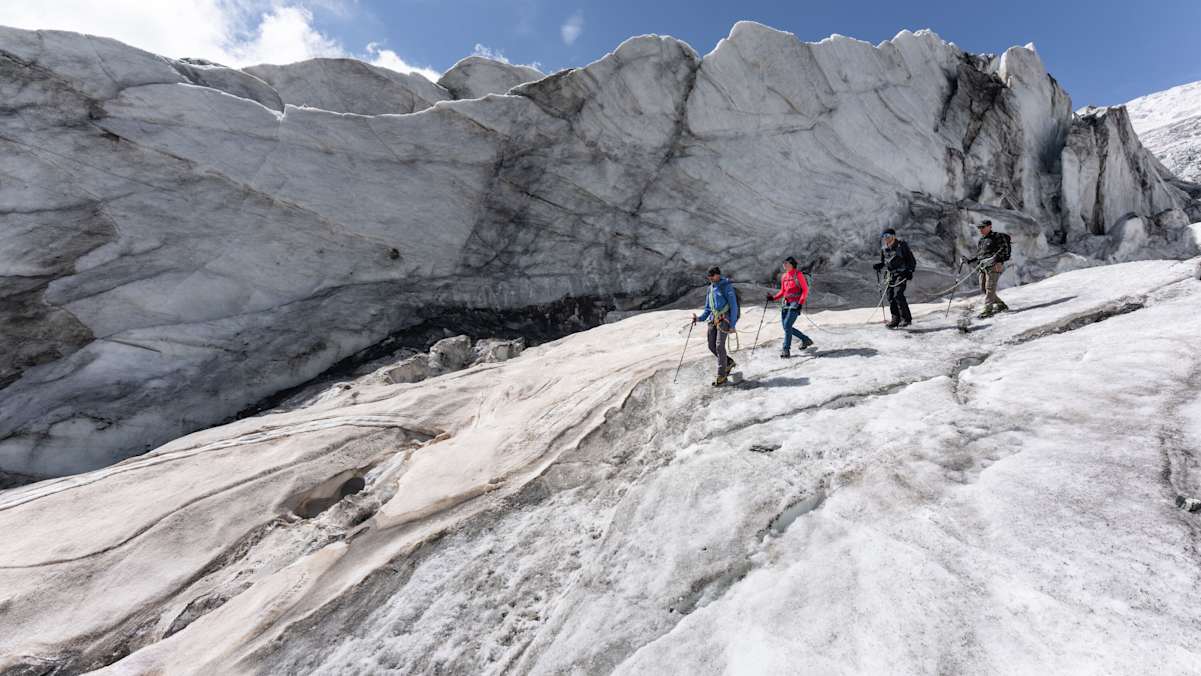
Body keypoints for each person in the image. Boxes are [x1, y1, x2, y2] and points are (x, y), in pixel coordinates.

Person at [693, 266, 740, 386]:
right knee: (711, 346)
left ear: (718, 275)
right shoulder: (710, 288)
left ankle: (721, 375)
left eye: (712, 276)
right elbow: (708, 308)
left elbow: (733, 306)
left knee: (719, 346)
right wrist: (699, 318)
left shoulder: (726, 286)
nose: (710, 278)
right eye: (709, 276)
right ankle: (728, 362)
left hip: (725, 319)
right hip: (713, 320)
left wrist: (732, 324)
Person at [765, 257, 814, 358]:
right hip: (786, 304)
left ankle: (786, 349)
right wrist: (773, 298)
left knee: (787, 326)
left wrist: (800, 303)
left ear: (792, 264)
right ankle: (805, 339)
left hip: (795, 304)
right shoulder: (784, 276)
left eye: (786, 263)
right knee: (786, 327)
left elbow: (805, 290)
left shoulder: (798, 275)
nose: (784, 265)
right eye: (784, 263)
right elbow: (783, 291)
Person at [961, 219, 1010, 318]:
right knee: (983, 289)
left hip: (994, 265)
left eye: (983, 227)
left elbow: (1003, 249)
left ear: (989, 226)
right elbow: (980, 256)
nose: (980, 229)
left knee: (990, 288)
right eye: (979, 227)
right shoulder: (982, 240)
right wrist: (969, 261)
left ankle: (988, 309)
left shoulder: (997, 237)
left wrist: (995, 259)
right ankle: (1000, 305)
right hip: (982, 267)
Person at [872, 228, 916, 329]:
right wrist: (879, 265)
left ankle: (906, 319)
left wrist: (910, 271)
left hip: (902, 273)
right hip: (890, 275)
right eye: (884, 236)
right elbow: (884, 262)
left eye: (888, 236)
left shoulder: (901, 246)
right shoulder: (884, 248)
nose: (886, 238)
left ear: (893, 236)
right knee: (890, 296)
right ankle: (895, 320)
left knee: (898, 294)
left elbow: (911, 260)